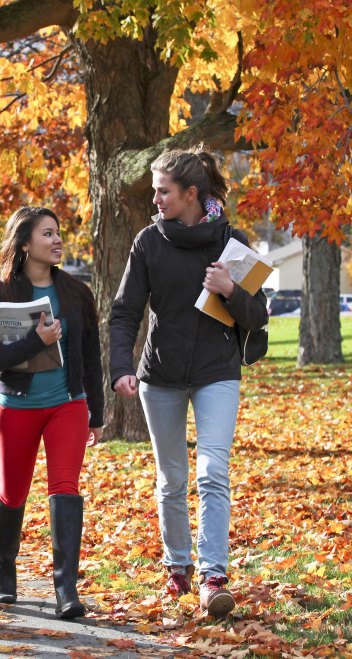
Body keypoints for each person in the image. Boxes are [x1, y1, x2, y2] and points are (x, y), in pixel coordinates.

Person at [108, 148, 267, 619]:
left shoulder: (232, 244)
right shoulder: (148, 243)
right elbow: (125, 312)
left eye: (163, 192)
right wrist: (122, 367)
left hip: (217, 371)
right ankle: (177, 566)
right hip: (162, 375)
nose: (155, 199)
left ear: (191, 194)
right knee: (172, 478)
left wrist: (231, 291)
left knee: (212, 470)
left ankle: (213, 574)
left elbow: (258, 317)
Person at [0, 207, 103, 619]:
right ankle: (4, 575)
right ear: (25, 243)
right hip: (17, 408)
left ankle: (66, 588)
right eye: (48, 233)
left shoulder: (78, 294)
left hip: (68, 404)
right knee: (13, 493)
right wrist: (35, 340)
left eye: (59, 232)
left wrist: (95, 414)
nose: (57, 239)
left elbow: (91, 358)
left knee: (65, 485)